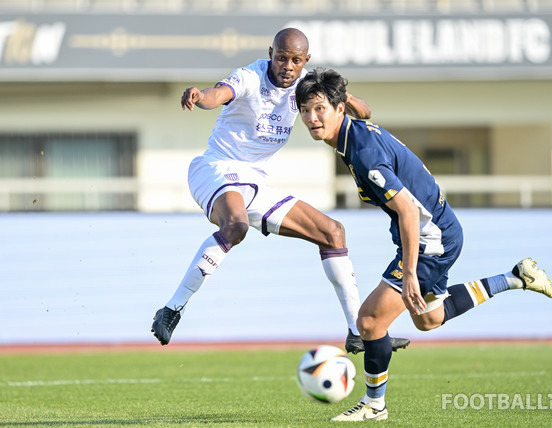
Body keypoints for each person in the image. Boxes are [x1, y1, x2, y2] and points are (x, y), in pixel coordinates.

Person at [295, 68, 552, 421]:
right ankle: (515, 278)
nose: (312, 118)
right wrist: (348, 98)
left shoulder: (363, 154)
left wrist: (410, 272)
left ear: (340, 109)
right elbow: (366, 111)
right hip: (441, 230)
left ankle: (375, 406)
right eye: (305, 110)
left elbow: (407, 211)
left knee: (370, 321)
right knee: (429, 319)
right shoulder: (351, 128)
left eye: (319, 109)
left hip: (431, 237)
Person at [150, 28, 410, 354]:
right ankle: (172, 309)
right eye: (282, 57)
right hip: (217, 169)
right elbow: (218, 94)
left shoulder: (306, 88)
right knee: (236, 226)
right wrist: (200, 97)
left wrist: (342, 99)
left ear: (306, 61)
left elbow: (365, 112)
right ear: (270, 52)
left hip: (255, 184)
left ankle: (356, 333)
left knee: (333, 233)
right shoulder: (249, 77)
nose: (287, 65)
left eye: (296, 60)